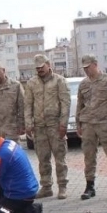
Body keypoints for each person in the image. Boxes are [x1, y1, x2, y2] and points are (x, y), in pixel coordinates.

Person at [76, 55, 107, 200]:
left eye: (88, 67)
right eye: (84, 68)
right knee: (89, 157)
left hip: (104, 123)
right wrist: (79, 124)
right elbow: (80, 105)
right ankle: (89, 187)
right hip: (88, 124)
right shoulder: (83, 84)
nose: (86, 70)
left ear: (95, 64)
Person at [24, 54, 70, 199]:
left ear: (48, 65)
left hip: (55, 126)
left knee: (60, 158)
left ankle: (62, 186)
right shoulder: (31, 83)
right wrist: (28, 124)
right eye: (37, 68)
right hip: (39, 127)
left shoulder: (59, 81)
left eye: (42, 67)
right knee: (43, 159)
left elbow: (65, 104)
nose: (39, 70)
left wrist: (63, 124)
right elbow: (28, 105)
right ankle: (46, 186)